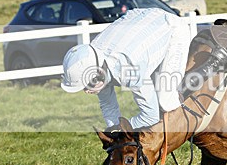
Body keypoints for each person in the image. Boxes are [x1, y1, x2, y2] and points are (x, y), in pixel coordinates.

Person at [60, 8, 194, 129]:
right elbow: (108, 106)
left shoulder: (128, 69)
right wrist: (115, 133)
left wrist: (122, 130)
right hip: (145, 22)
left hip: (173, 29)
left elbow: (151, 116)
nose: (86, 92)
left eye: (86, 85)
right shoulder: (95, 60)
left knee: (166, 101)